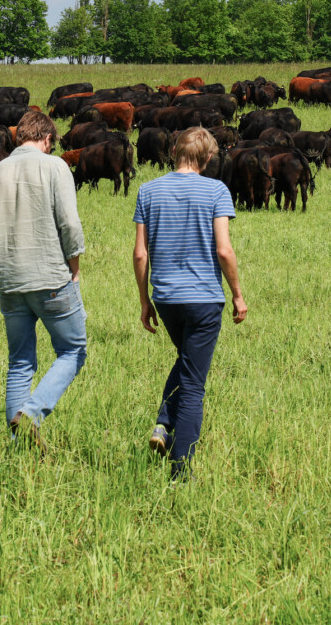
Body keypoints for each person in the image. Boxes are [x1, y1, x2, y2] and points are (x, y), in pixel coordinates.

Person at [132, 126, 247, 478]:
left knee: (187, 362)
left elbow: (140, 254)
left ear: (173, 152)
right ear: (209, 158)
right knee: (195, 383)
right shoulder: (217, 190)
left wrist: (144, 300)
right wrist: (238, 294)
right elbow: (224, 250)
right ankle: (181, 470)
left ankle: (163, 424)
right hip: (204, 301)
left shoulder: (147, 190)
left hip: (166, 298)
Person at [0, 110, 86, 454]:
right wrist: (74, 268)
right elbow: (70, 225)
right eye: (52, 143)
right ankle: (31, 414)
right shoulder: (55, 167)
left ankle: (16, 448)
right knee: (73, 350)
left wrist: (1, 265)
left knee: (20, 362)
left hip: (9, 283)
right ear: (48, 139)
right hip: (52, 277)